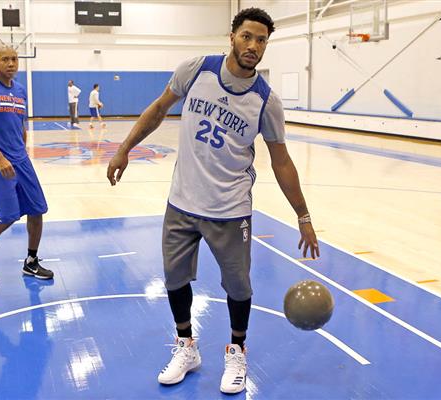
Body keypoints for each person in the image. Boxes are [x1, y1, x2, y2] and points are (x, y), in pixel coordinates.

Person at [107, 7, 319, 394]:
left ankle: (236, 351)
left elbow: (282, 161)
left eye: (261, 40)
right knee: (174, 279)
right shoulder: (196, 70)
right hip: (182, 202)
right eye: (247, 36)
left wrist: (303, 216)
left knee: (238, 287)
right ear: (232, 36)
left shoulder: (265, 101)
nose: (253, 46)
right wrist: (124, 149)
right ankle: (186, 346)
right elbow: (158, 109)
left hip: (230, 209)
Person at [0, 45, 54, 284]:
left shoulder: (20, 90)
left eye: (14, 59)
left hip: (20, 160)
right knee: (6, 215)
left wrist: (22, 150)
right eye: (5, 59)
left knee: (37, 209)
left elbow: (20, 124)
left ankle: (31, 262)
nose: (11, 63)